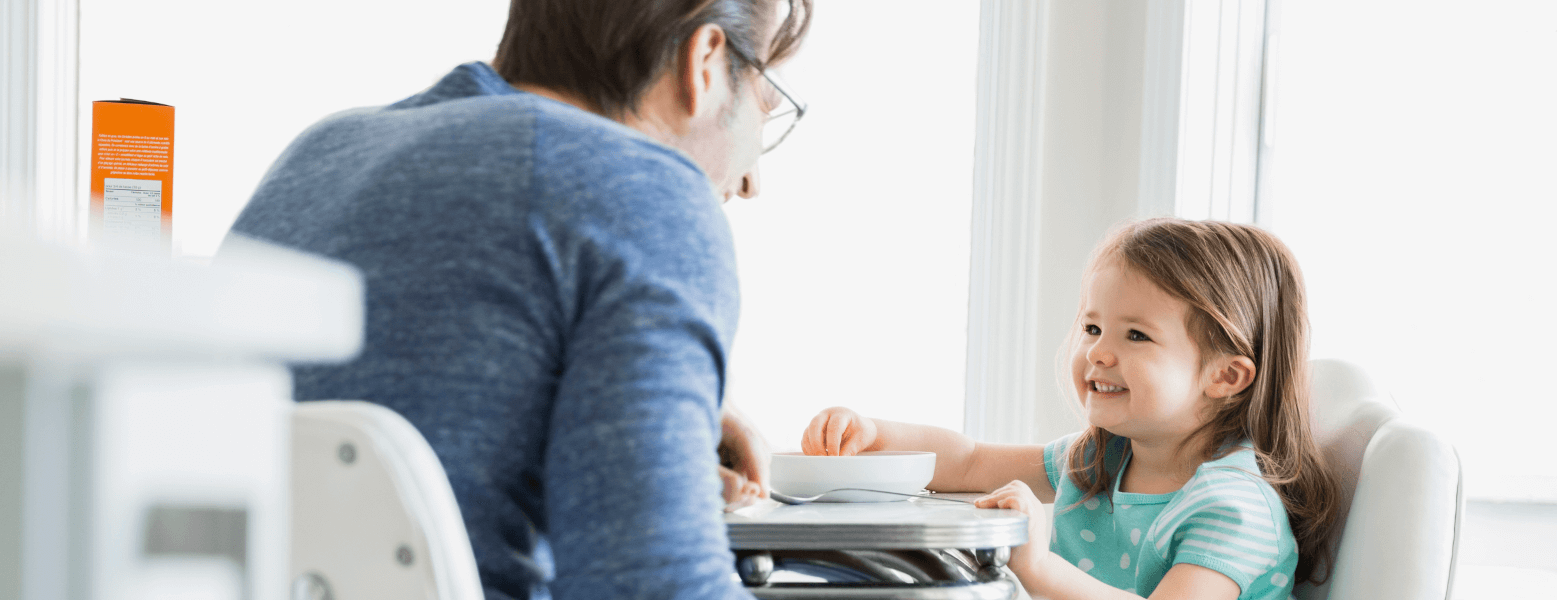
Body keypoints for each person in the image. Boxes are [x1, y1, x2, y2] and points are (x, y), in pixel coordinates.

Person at [224, 1, 813, 598]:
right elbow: (652, 588)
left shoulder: (318, 154)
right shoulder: (645, 191)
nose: (751, 181)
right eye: (767, 103)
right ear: (705, 61)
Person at [802, 218, 1342, 600]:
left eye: (1136, 335)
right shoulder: (1102, 460)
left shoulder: (1234, 508)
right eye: (1092, 327)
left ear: (1225, 376)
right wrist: (873, 434)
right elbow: (967, 461)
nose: (1099, 352)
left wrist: (1039, 569)